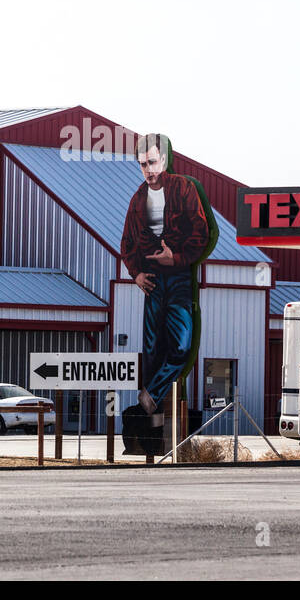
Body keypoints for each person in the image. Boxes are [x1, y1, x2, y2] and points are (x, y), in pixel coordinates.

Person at [120, 134, 212, 418]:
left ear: (164, 159)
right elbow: (127, 244)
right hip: (152, 281)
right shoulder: (137, 199)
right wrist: (135, 274)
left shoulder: (184, 189)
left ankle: (152, 395)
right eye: (142, 164)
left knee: (182, 346)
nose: (148, 170)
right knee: (151, 347)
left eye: (152, 162)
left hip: (180, 277)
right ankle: (152, 412)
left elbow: (202, 232)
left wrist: (178, 258)